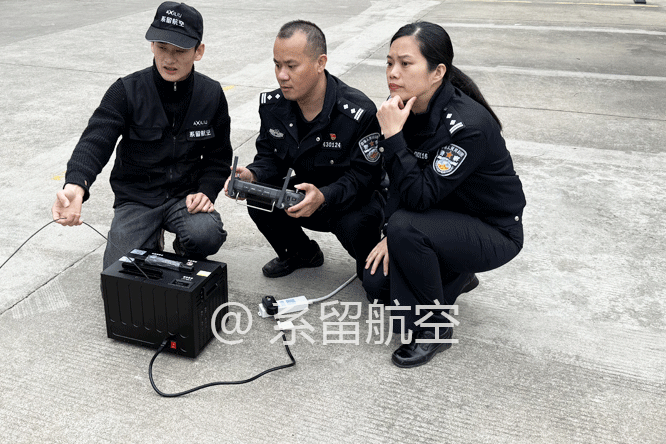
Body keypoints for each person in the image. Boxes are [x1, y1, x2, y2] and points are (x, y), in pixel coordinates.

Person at [363, 22, 526, 368]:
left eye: (405, 64)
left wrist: (394, 138)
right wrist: (388, 234)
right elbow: (398, 183)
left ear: (437, 72)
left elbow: (419, 198)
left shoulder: (467, 126)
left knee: (406, 228)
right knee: (376, 286)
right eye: (389, 63)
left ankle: (434, 330)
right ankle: (458, 274)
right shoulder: (403, 107)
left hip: (493, 230)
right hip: (444, 218)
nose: (393, 73)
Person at [52, 2, 231, 271]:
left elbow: (219, 157)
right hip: (137, 199)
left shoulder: (212, 94)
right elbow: (96, 140)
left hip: (185, 197)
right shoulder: (126, 90)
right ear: (152, 46)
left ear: (199, 51)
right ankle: (149, 238)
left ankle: (185, 247)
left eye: (180, 51)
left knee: (206, 234)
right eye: (162, 47)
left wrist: (206, 190)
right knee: (119, 270)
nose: (169, 59)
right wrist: (76, 186)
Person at [225, 20, 384, 279]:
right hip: (302, 197)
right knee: (259, 195)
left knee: (375, 278)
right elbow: (270, 158)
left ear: (320, 63)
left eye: (291, 66)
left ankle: (369, 262)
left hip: (349, 203)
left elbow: (366, 177)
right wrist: (252, 175)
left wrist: (324, 196)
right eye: (277, 65)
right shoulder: (273, 106)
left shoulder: (357, 113)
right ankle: (301, 253)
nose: (281, 75)